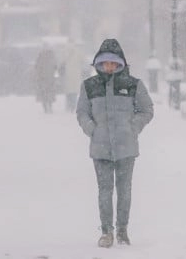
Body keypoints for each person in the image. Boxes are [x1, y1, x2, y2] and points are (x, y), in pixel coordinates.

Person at [75, 38, 154, 248]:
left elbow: (147, 109)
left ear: (120, 63)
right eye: (105, 63)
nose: (109, 67)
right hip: (100, 148)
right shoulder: (89, 86)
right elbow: (82, 112)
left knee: (125, 191)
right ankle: (106, 232)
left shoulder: (133, 84)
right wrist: (92, 129)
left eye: (113, 63)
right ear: (98, 64)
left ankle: (122, 230)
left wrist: (133, 127)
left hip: (126, 148)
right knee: (105, 190)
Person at [34, 47, 57, 113]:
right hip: (50, 79)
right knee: (49, 93)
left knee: (43, 94)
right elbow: (56, 70)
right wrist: (56, 78)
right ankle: (50, 107)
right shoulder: (52, 59)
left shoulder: (40, 58)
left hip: (42, 79)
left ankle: (45, 108)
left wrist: (38, 77)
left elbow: (37, 69)